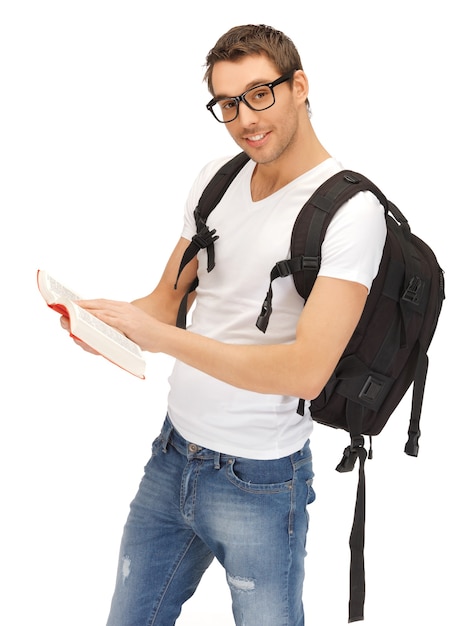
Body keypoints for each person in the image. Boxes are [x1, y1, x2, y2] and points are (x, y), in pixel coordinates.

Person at [64, 24, 386, 626]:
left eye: (259, 94)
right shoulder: (217, 178)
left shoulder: (350, 213)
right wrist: (107, 324)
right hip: (172, 457)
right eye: (228, 103)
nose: (245, 118)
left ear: (298, 86)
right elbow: (165, 301)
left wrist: (162, 338)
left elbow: (307, 371)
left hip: (260, 483)